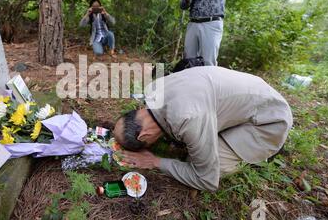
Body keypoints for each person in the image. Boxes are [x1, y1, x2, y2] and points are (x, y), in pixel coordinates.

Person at [113, 67, 293, 191]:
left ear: (145, 135)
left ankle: (261, 152)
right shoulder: (153, 89)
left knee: (198, 164)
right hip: (258, 95)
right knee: (195, 148)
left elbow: (206, 180)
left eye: (147, 144)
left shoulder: (186, 118)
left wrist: (156, 162)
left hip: (270, 121)